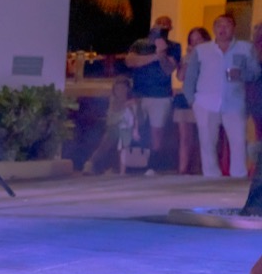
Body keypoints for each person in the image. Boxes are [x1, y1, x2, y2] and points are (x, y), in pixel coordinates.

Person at [184, 12, 258, 178]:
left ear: (234, 28)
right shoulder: (202, 50)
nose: (222, 29)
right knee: (207, 143)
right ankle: (211, 178)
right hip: (205, 103)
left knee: (238, 142)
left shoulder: (246, 48)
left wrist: (242, 74)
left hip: (235, 102)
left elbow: (256, 72)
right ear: (214, 29)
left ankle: (238, 177)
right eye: (218, 25)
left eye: (226, 25)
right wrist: (192, 101)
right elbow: (190, 77)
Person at [121, 23, 178, 171]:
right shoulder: (139, 44)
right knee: (135, 128)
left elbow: (168, 70)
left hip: (160, 96)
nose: (160, 29)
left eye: (165, 25)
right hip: (138, 94)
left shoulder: (174, 46)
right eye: (158, 24)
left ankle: (152, 166)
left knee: (156, 132)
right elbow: (130, 61)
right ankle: (132, 164)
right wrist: (156, 56)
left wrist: (163, 54)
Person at [84, 77, 143, 175]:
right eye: (117, 89)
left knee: (124, 141)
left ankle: (119, 168)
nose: (120, 91)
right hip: (114, 129)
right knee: (107, 141)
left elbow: (138, 118)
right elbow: (111, 120)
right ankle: (90, 164)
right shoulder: (113, 101)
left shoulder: (134, 102)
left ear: (127, 89)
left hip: (129, 131)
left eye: (123, 88)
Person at [173, 26, 207, 174]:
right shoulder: (187, 57)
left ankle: (200, 169)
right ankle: (182, 170)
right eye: (192, 41)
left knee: (203, 136)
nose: (195, 43)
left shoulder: (211, 55)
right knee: (184, 137)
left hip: (203, 98)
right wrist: (188, 60)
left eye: (199, 39)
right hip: (185, 97)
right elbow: (180, 77)